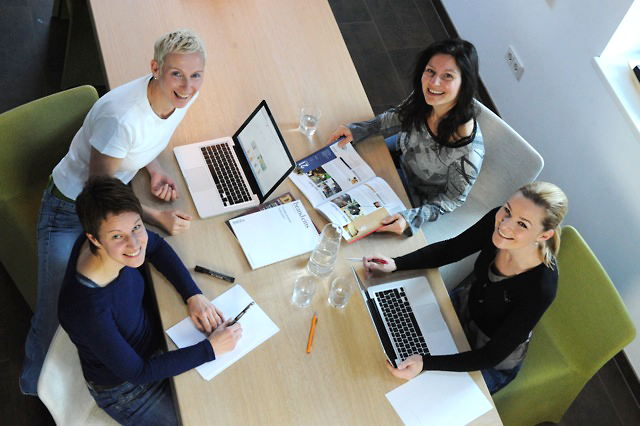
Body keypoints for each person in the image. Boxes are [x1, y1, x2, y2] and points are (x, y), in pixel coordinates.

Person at [21, 29, 206, 395]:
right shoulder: (120, 119)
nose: (187, 87)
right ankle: (31, 386)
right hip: (71, 207)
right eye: (177, 75)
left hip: (109, 201)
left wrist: (152, 170)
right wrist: (155, 216)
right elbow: (99, 199)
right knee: (53, 310)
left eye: (196, 75)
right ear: (156, 69)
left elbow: (149, 133)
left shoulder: (177, 98)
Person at [58, 176, 242, 425]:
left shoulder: (104, 244)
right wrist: (210, 349)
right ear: (93, 239)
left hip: (158, 339)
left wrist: (192, 294)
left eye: (136, 227)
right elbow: (138, 372)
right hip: (129, 389)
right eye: (117, 237)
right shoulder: (87, 310)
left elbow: (156, 247)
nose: (134, 244)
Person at [363, 182, 568, 394]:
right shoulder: (496, 221)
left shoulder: (541, 287)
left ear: (544, 236)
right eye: (507, 210)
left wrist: (426, 363)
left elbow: (491, 355)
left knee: (418, 395)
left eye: (522, 224)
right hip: (462, 308)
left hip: (487, 357)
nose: (505, 225)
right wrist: (397, 264)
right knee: (381, 337)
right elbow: (452, 249)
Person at [328, 39, 484, 237]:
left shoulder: (469, 153)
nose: (434, 82)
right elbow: (400, 114)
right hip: (397, 152)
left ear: (465, 84)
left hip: (414, 190)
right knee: (340, 172)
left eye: (447, 76)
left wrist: (412, 218)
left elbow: (452, 200)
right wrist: (361, 129)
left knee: (354, 222)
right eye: (430, 71)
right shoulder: (427, 96)